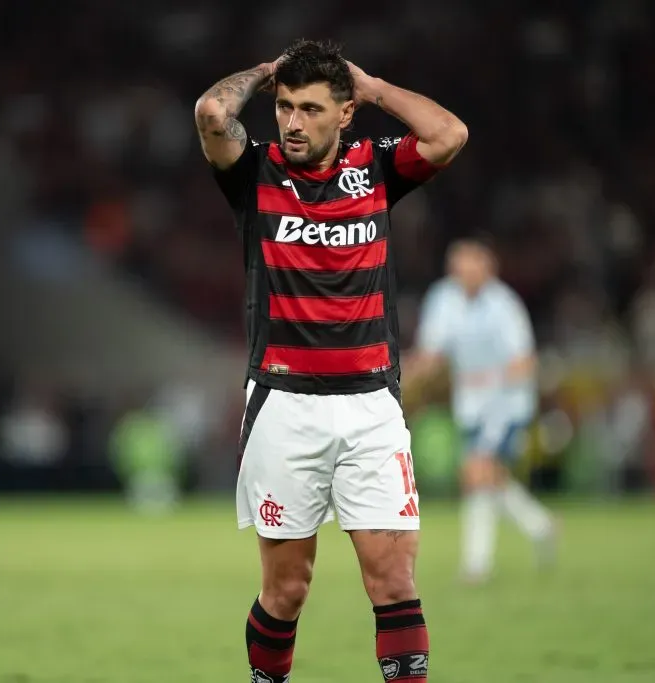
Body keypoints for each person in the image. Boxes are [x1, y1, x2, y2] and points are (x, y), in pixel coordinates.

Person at [194, 39, 468, 683]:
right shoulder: (254, 172)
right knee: (287, 591)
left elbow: (449, 134)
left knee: (395, 581)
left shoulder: (374, 169)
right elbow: (211, 113)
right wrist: (265, 72)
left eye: (311, 108)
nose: (292, 122)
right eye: (285, 107)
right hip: (283, 407)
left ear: (344, 114)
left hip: (372, 404)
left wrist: (373, 88)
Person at [405, 237, 557, 584]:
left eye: (472, 266)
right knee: (489, 477)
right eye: (459, 267)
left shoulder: (504, 305)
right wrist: (405, 379)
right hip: (470, 405)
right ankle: (541, 526)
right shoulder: (443, 300)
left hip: (507, 402)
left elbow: (524, 361)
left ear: (488, 269)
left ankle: (477, 565)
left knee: (476, 472)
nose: (465, 274)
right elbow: (431, 354)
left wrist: (489, 378)